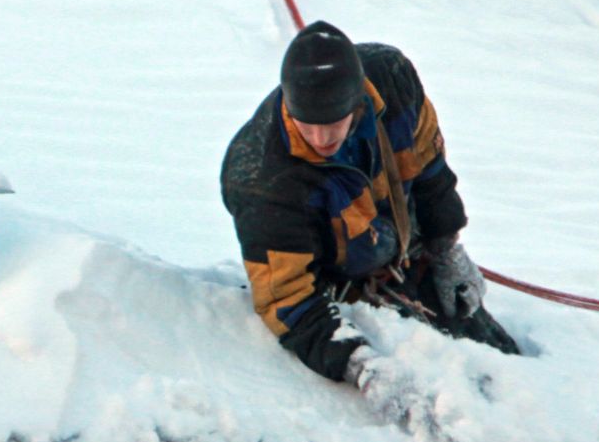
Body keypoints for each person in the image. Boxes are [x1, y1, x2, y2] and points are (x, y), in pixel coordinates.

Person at [221, 20, 519, 384]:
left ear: (357, 101)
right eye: (307, 125)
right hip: (338, 285)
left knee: (499, 364)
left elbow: (429, 168)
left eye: (332, 124)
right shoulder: (263, 181)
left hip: (403, 250)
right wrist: (360, 367)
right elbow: (287, 298)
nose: (319, 138)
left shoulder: (393, 82)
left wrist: (445, 247)